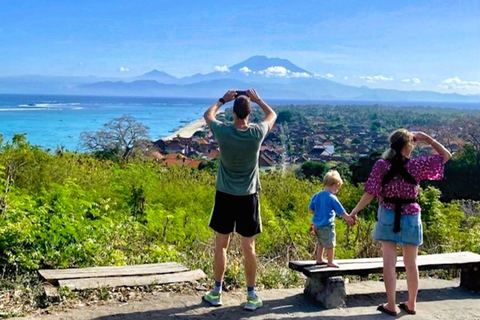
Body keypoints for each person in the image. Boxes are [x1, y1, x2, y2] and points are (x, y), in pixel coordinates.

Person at [350, 129, 451, 316]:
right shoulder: (417, 165)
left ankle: (391, 305)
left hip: (388, 213)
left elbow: (370, 192)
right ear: (409, 145)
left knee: (389, 263)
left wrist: (354, 212)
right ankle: (411, 304)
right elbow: (445, 155)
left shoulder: (381, 165)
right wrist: (427, 138)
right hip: (411, 215)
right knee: (411, 264)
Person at [202, 89, 277, 311]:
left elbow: (208, 115)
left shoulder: (223, 132)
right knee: (249, 247)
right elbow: (272, 115)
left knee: (221, 245)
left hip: (225, 194)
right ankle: (251, 295)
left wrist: (222, 100)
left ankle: (216, 292)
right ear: (249, 113)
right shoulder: (256, 133)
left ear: (233, 113)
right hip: (248, 196)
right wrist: (258, 99)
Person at [309, 170, 354, 267]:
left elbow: (311, 209)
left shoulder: (316, 195)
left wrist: (319, 213)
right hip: (327, 224)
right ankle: (330, 261)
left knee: (320, 243)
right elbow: (341, 211)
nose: (337, 191)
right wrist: (349, 218)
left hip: (316, 224)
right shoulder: (332, 197)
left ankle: (319, 259)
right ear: (334, 185)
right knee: (331, 243)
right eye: (337, 188)